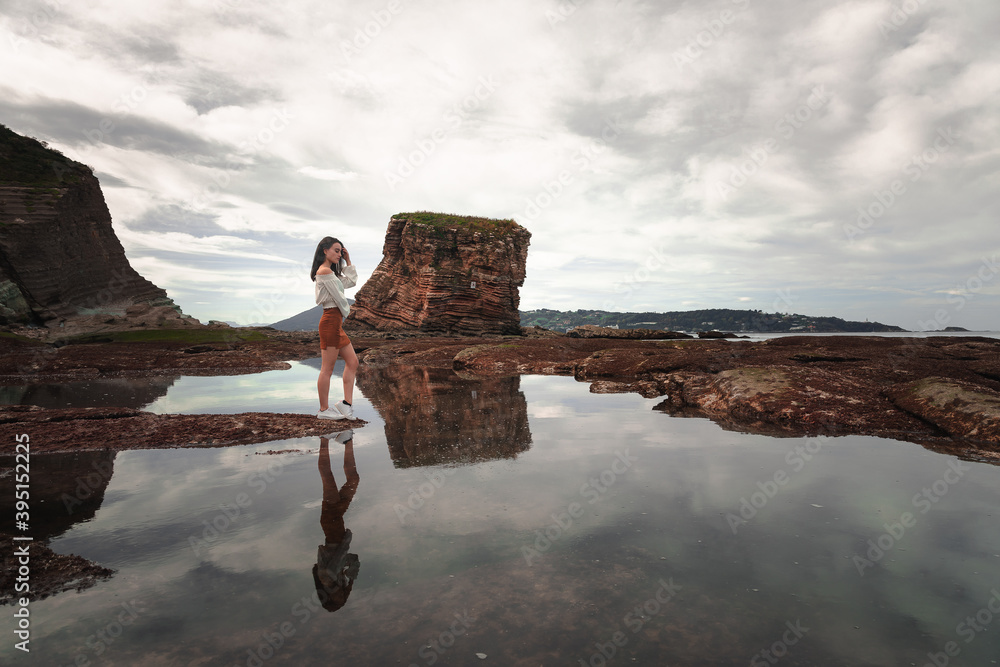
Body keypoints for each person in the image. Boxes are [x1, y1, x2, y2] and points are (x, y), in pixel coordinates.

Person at [311, 236, 359, 420]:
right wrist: (348, 311)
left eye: (341, 251)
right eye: (336, 250)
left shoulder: (331, 274)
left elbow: (351, 282)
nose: (339, 254)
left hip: (336, 324)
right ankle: (323, 410)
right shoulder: (324, 272)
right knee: (327, 369)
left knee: (353, 362)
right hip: (330, 322)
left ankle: (346, 404)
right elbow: (340, 299)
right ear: (325, 251)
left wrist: (348, 260)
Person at [312, 431, 361, 612]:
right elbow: (352, 558)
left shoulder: (327, 577)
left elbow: (344, 554)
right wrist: (349, 581)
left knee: (327, 476)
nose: (343, 597)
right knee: (353, 479)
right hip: (335, 521)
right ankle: (348, 440)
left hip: (332, 522)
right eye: (343, 599)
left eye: (340, 600)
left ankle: (324, 439)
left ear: (331, 598)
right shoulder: (335, 576)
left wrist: (352, 579)